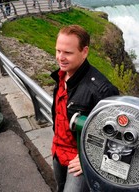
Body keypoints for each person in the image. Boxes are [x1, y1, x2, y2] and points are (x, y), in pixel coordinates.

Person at [50, 25, 119, 192]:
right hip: (58, 151)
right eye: (58, 51)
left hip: (80, 160)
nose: (61, 57)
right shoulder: (61, 75)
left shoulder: (101, 90)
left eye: (68, 52)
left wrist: (89, 158)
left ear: (85, 51)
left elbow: (117, 136)